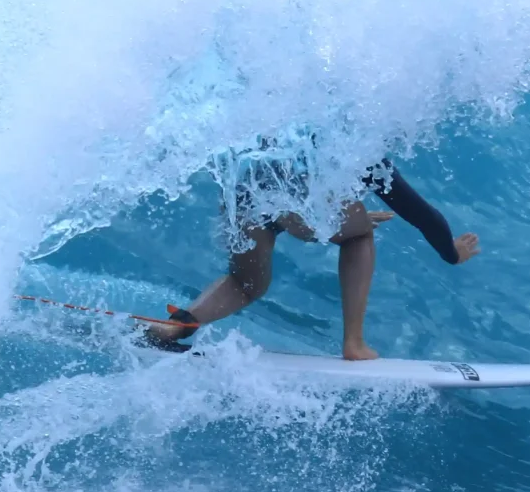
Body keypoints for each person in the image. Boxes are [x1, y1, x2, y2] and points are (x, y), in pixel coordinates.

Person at [146, 132, 480, 360]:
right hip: (292, 202)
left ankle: (177, 324)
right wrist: (451, 254)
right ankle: (354, 343)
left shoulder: (296, 123)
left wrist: (349, 211)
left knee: (245, 284)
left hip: (243, 191)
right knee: (359, 234)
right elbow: (422, 215)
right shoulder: (361, 148)